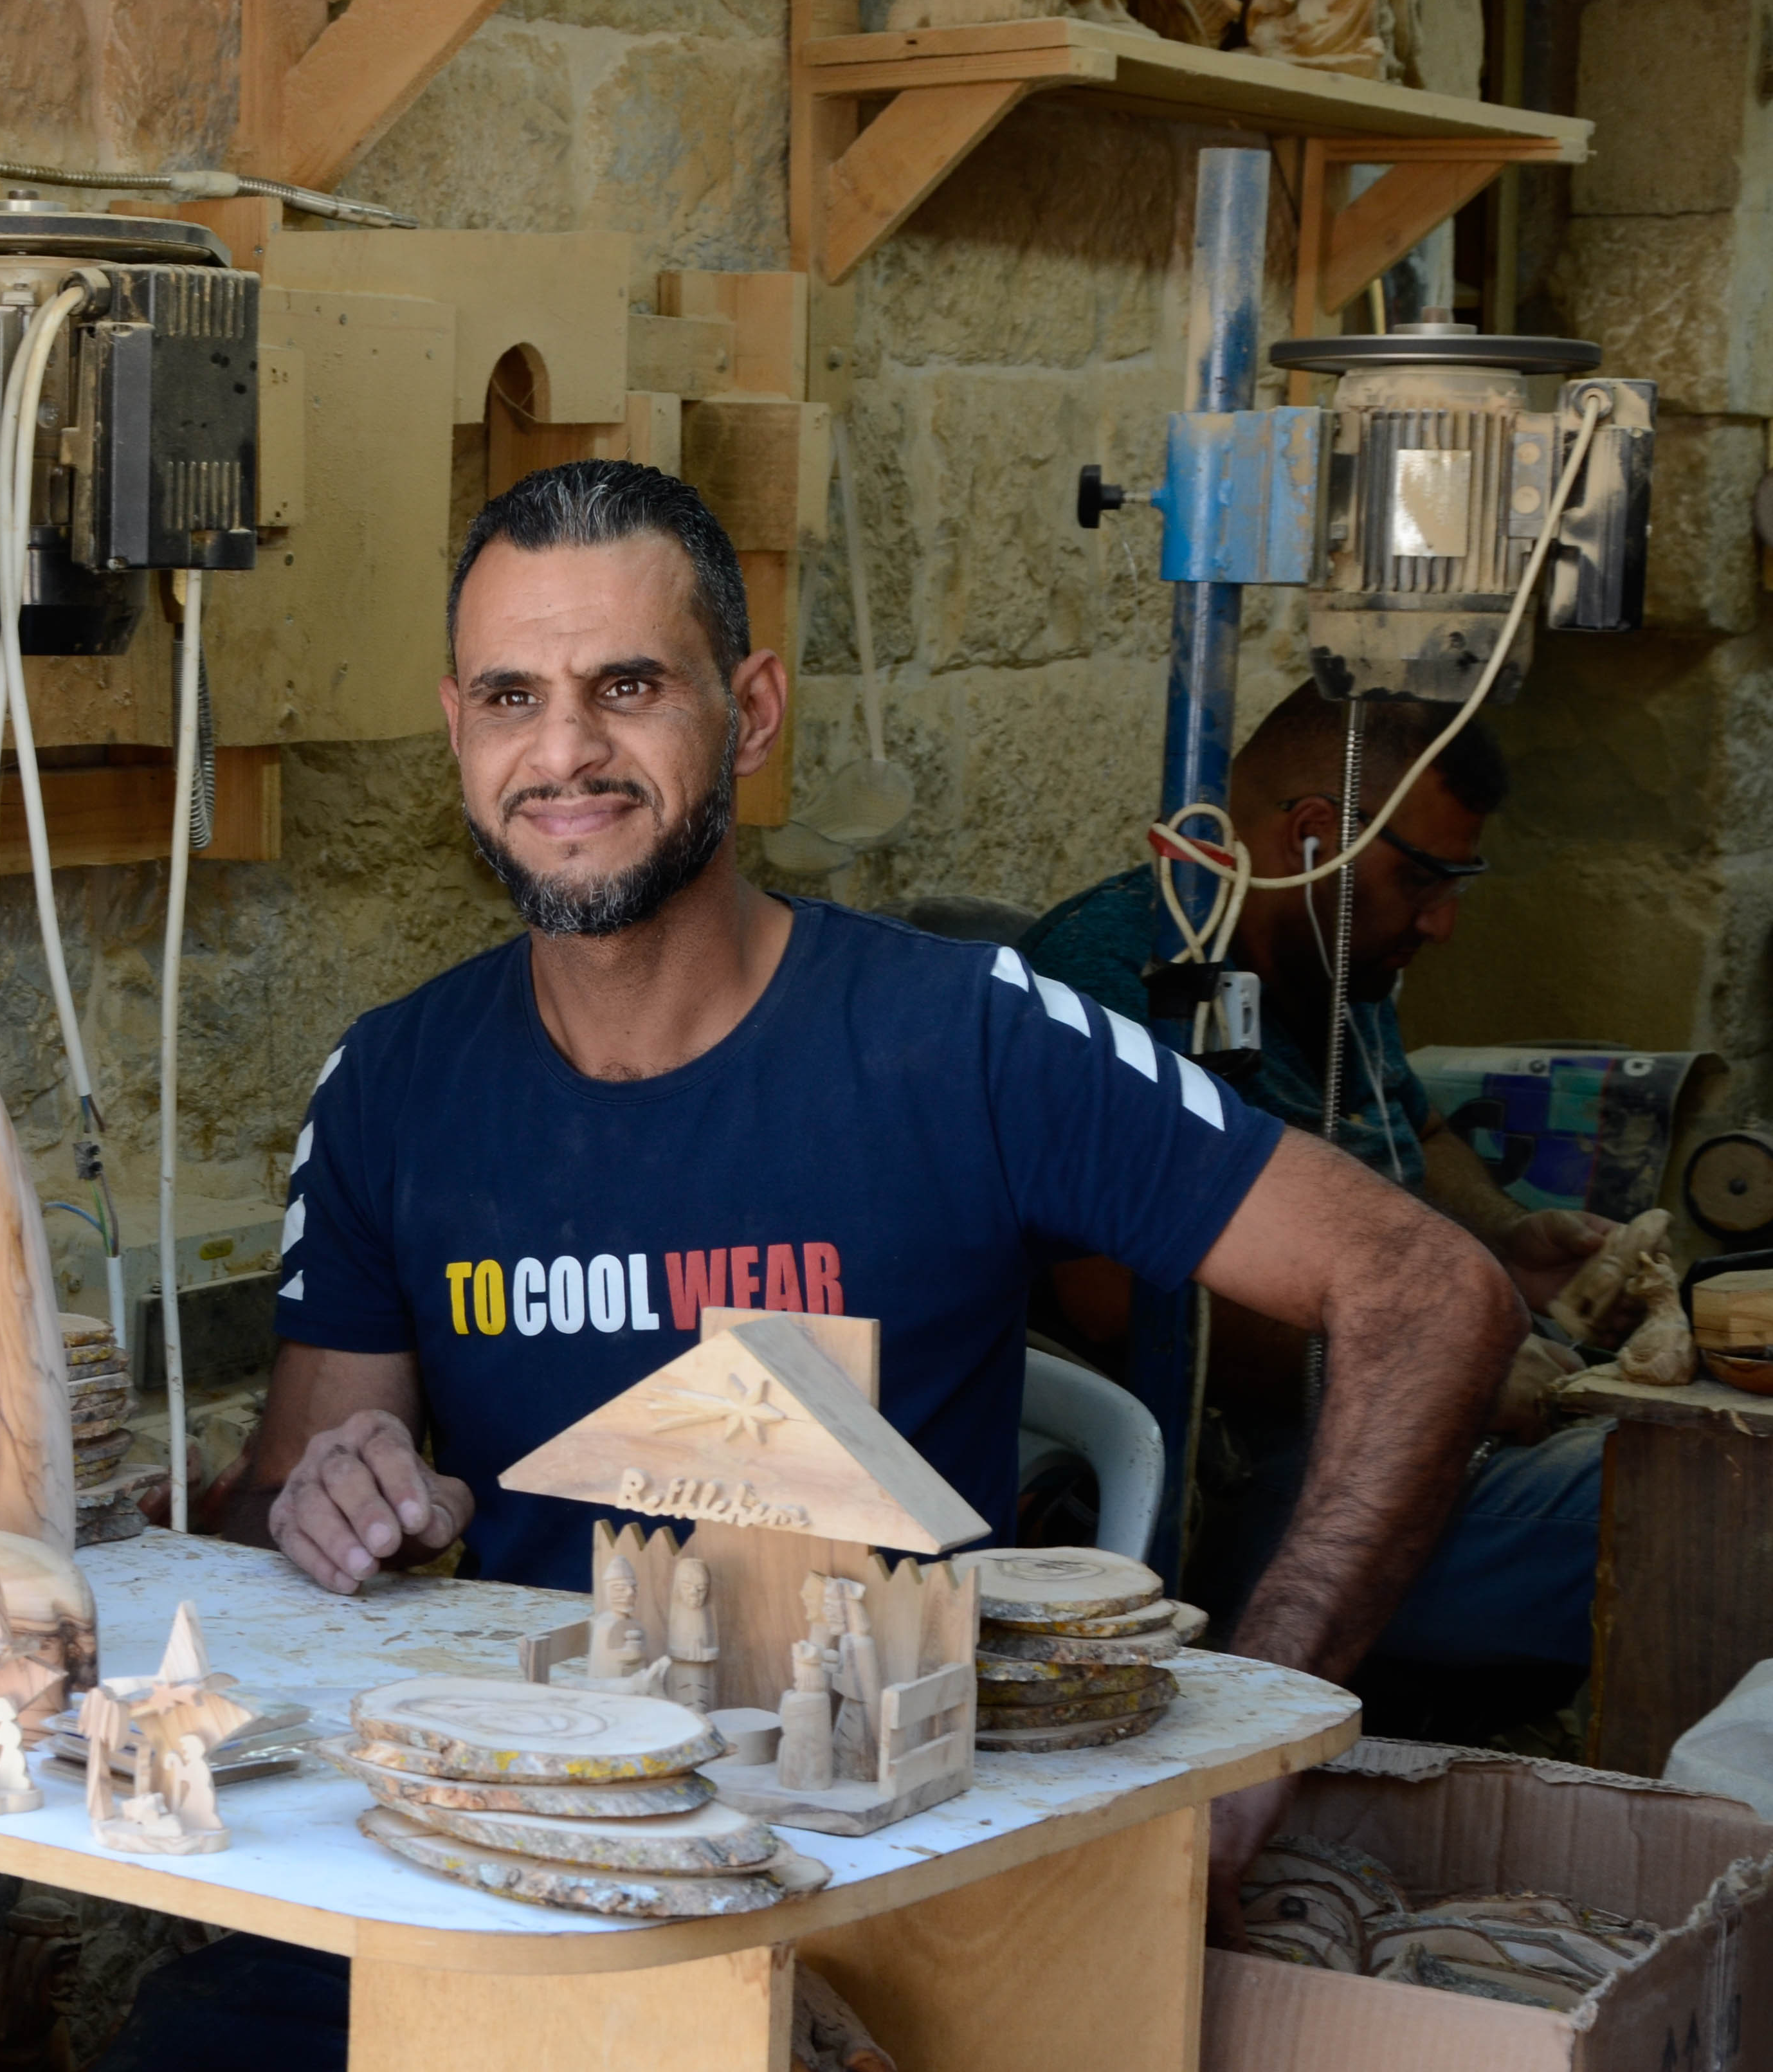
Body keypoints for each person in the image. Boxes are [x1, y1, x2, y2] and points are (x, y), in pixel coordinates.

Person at [94, 461, 1525, 2072]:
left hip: (857, 1869)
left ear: (750, 711)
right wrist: (342, 1505)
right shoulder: (390, 1084)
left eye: (625, 687)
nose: (562, 751)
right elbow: (283, 1521)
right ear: (457, 731)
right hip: (492, 1841)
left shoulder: (962, 1038)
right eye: (511, 697)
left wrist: (1261, 1727)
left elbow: (1428, 1293)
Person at [1021, 687, 1611, 1684]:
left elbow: (1411, 1124)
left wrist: (1509, 1242)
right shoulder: (1112, 982)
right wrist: (1431, 1368)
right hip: (1252, 1482)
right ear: (1310, 839)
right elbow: (1116, 1299)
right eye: (1424, 876)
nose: (1445, 921)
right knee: (1670, 1514)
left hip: (1402, 1417)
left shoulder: (1334, 962)